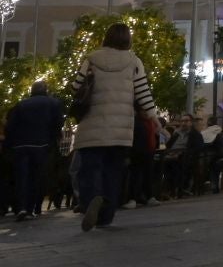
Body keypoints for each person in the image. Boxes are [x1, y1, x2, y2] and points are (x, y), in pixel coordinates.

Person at [68, 22, 160, 230]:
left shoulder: (91, 58)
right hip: (120, 129)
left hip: (92, 126)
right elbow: (143, 93)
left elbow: (76, 86)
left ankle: (92, 197)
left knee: (89, 169)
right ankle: (106, 216)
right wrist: (154, 118)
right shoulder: (134, 61)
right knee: (113, 172)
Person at [6, 81, 63, 221]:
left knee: (21, 177)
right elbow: (57, 124)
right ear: (46, 90)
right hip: (41, 145)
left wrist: (10, 145)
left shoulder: (21, 104)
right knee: (35, 177)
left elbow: (11, 126)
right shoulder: (53, 103)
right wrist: (53, 140)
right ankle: (31, 208)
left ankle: (21, 208)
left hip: (20, 146)